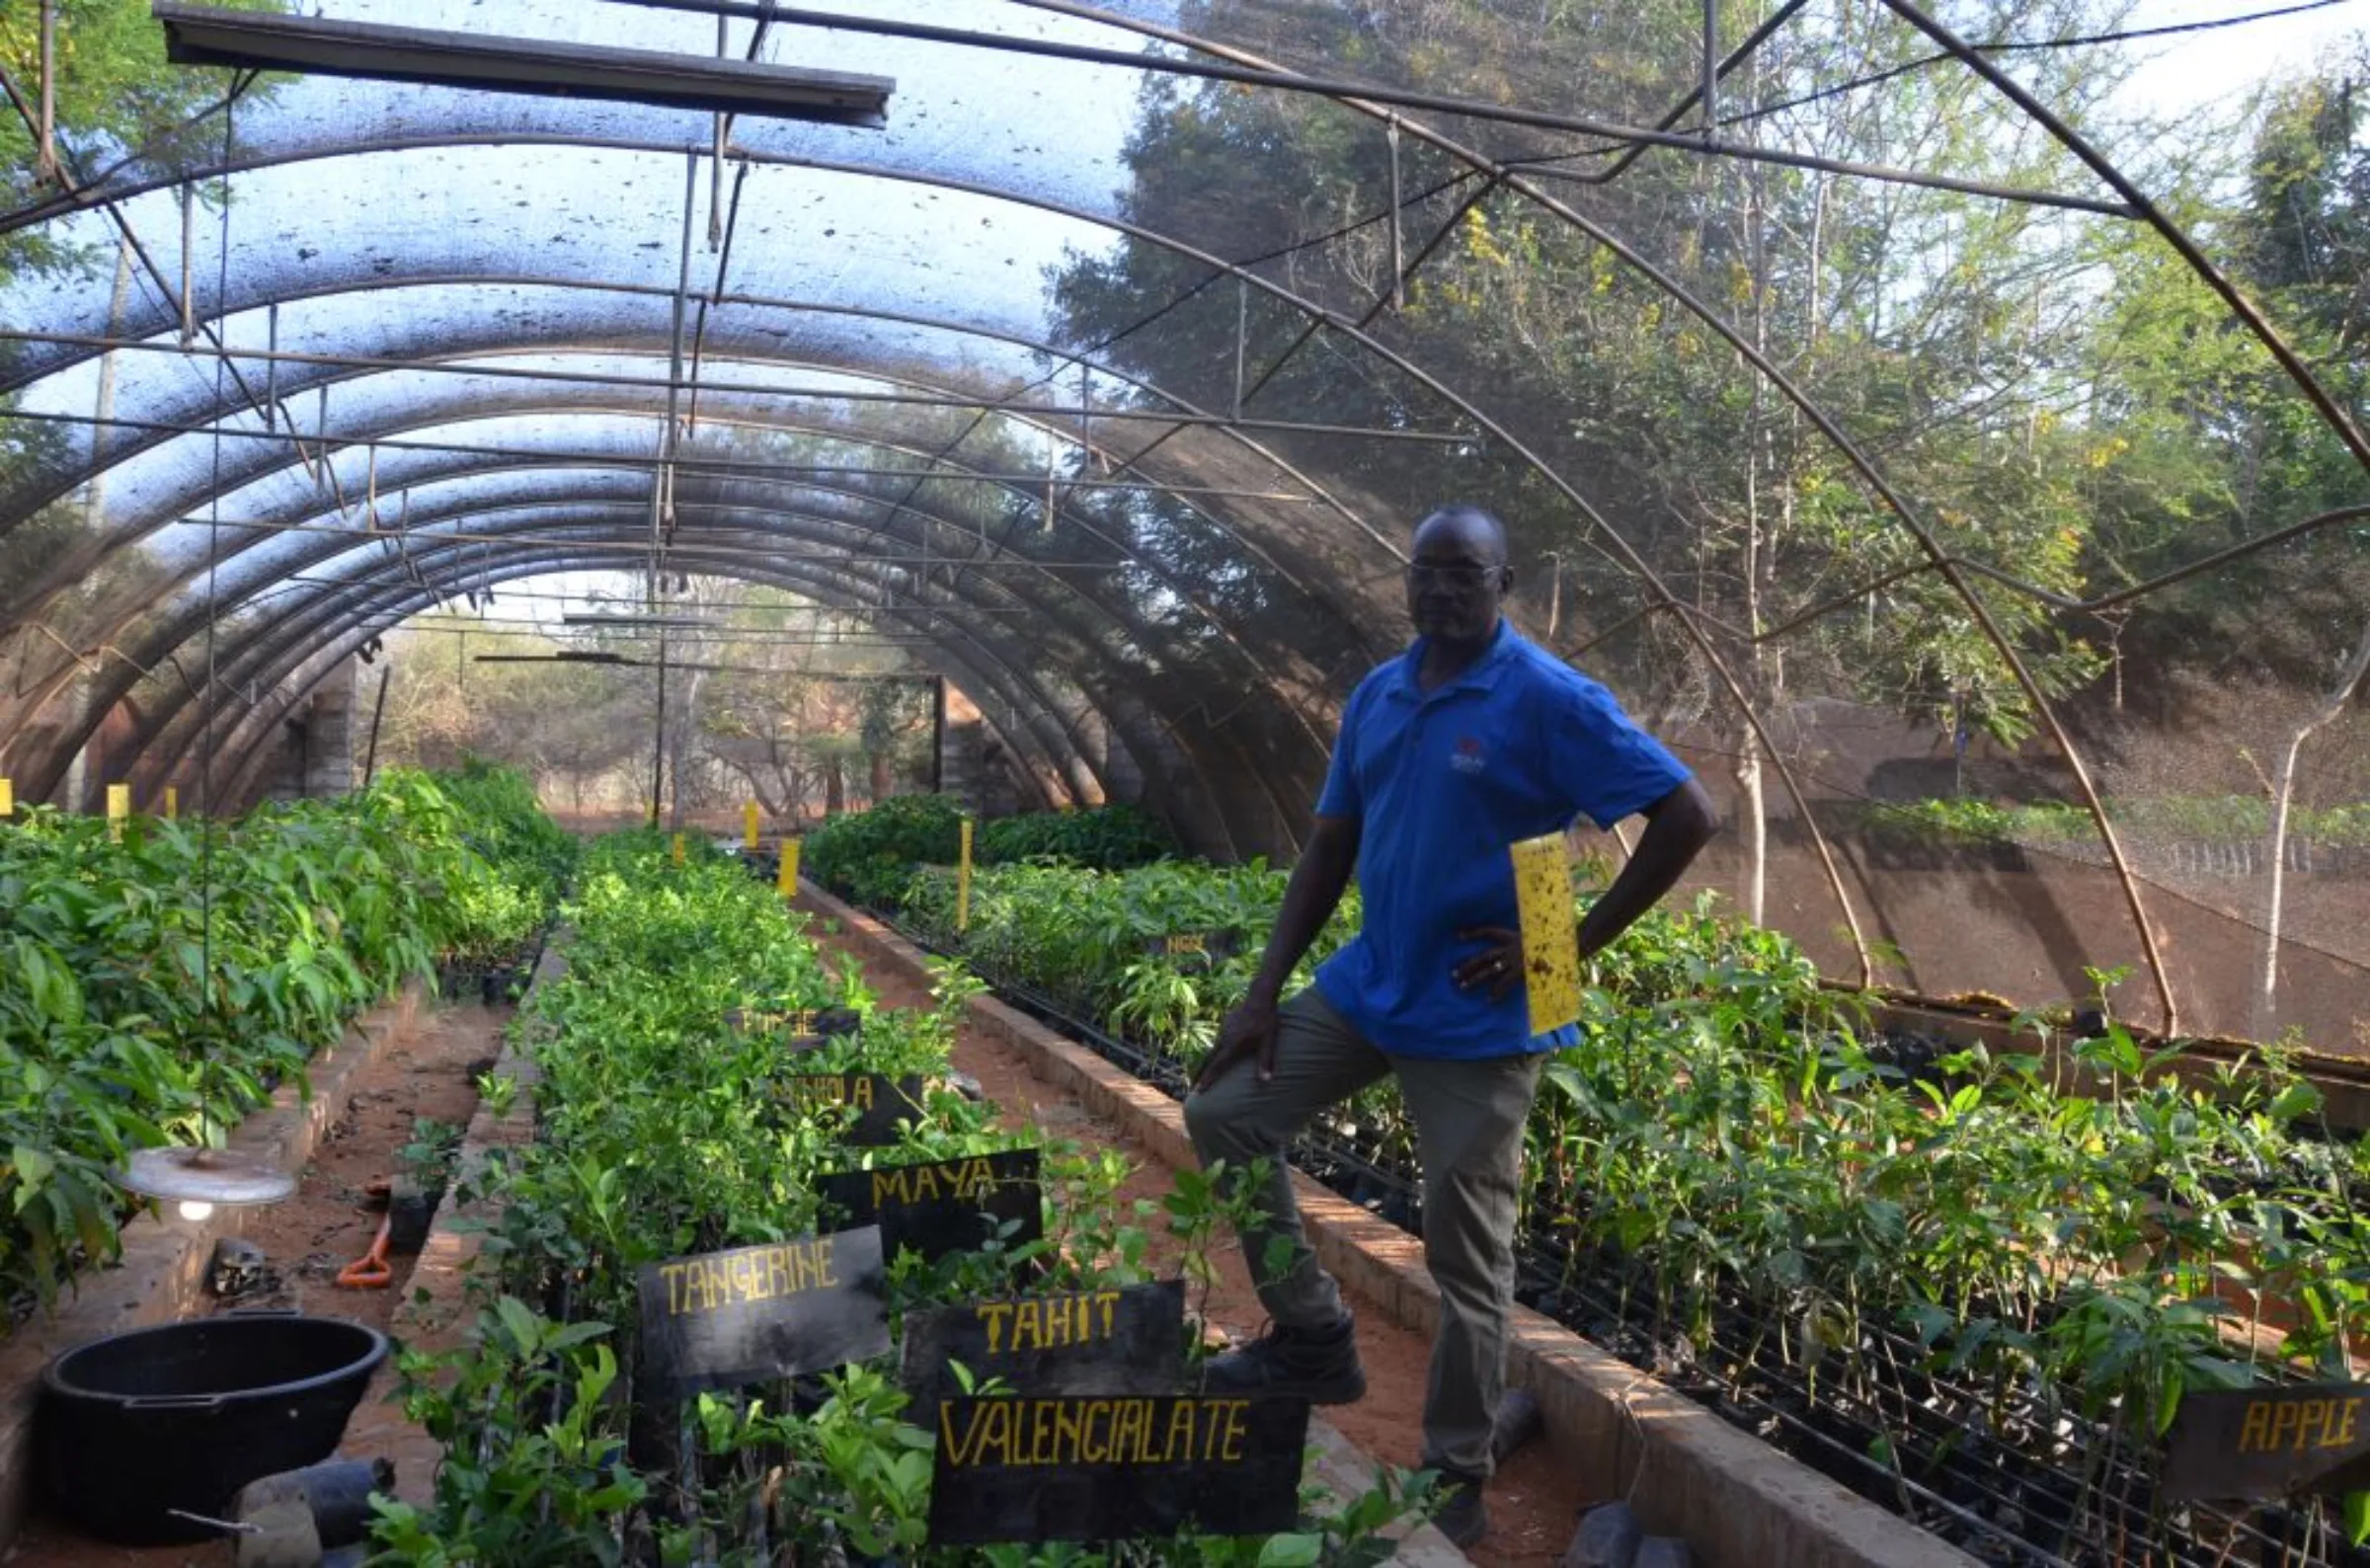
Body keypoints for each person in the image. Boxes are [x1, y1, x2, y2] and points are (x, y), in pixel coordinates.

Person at [1183, 504, 1718, 1548]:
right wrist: (1262, 991)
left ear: (1502, 584)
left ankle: (1458, 1466)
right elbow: (1330, 847)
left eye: (1463, 574)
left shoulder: (1551, 696)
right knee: (1223, 1110)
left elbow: (1686, 815)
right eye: (1424, 572)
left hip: (1489, 1003)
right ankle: (1312, 1335)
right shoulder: (1380, 693)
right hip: (1376, 977)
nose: (1440, 591)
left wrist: (1562, 950)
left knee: (1465, 1255)